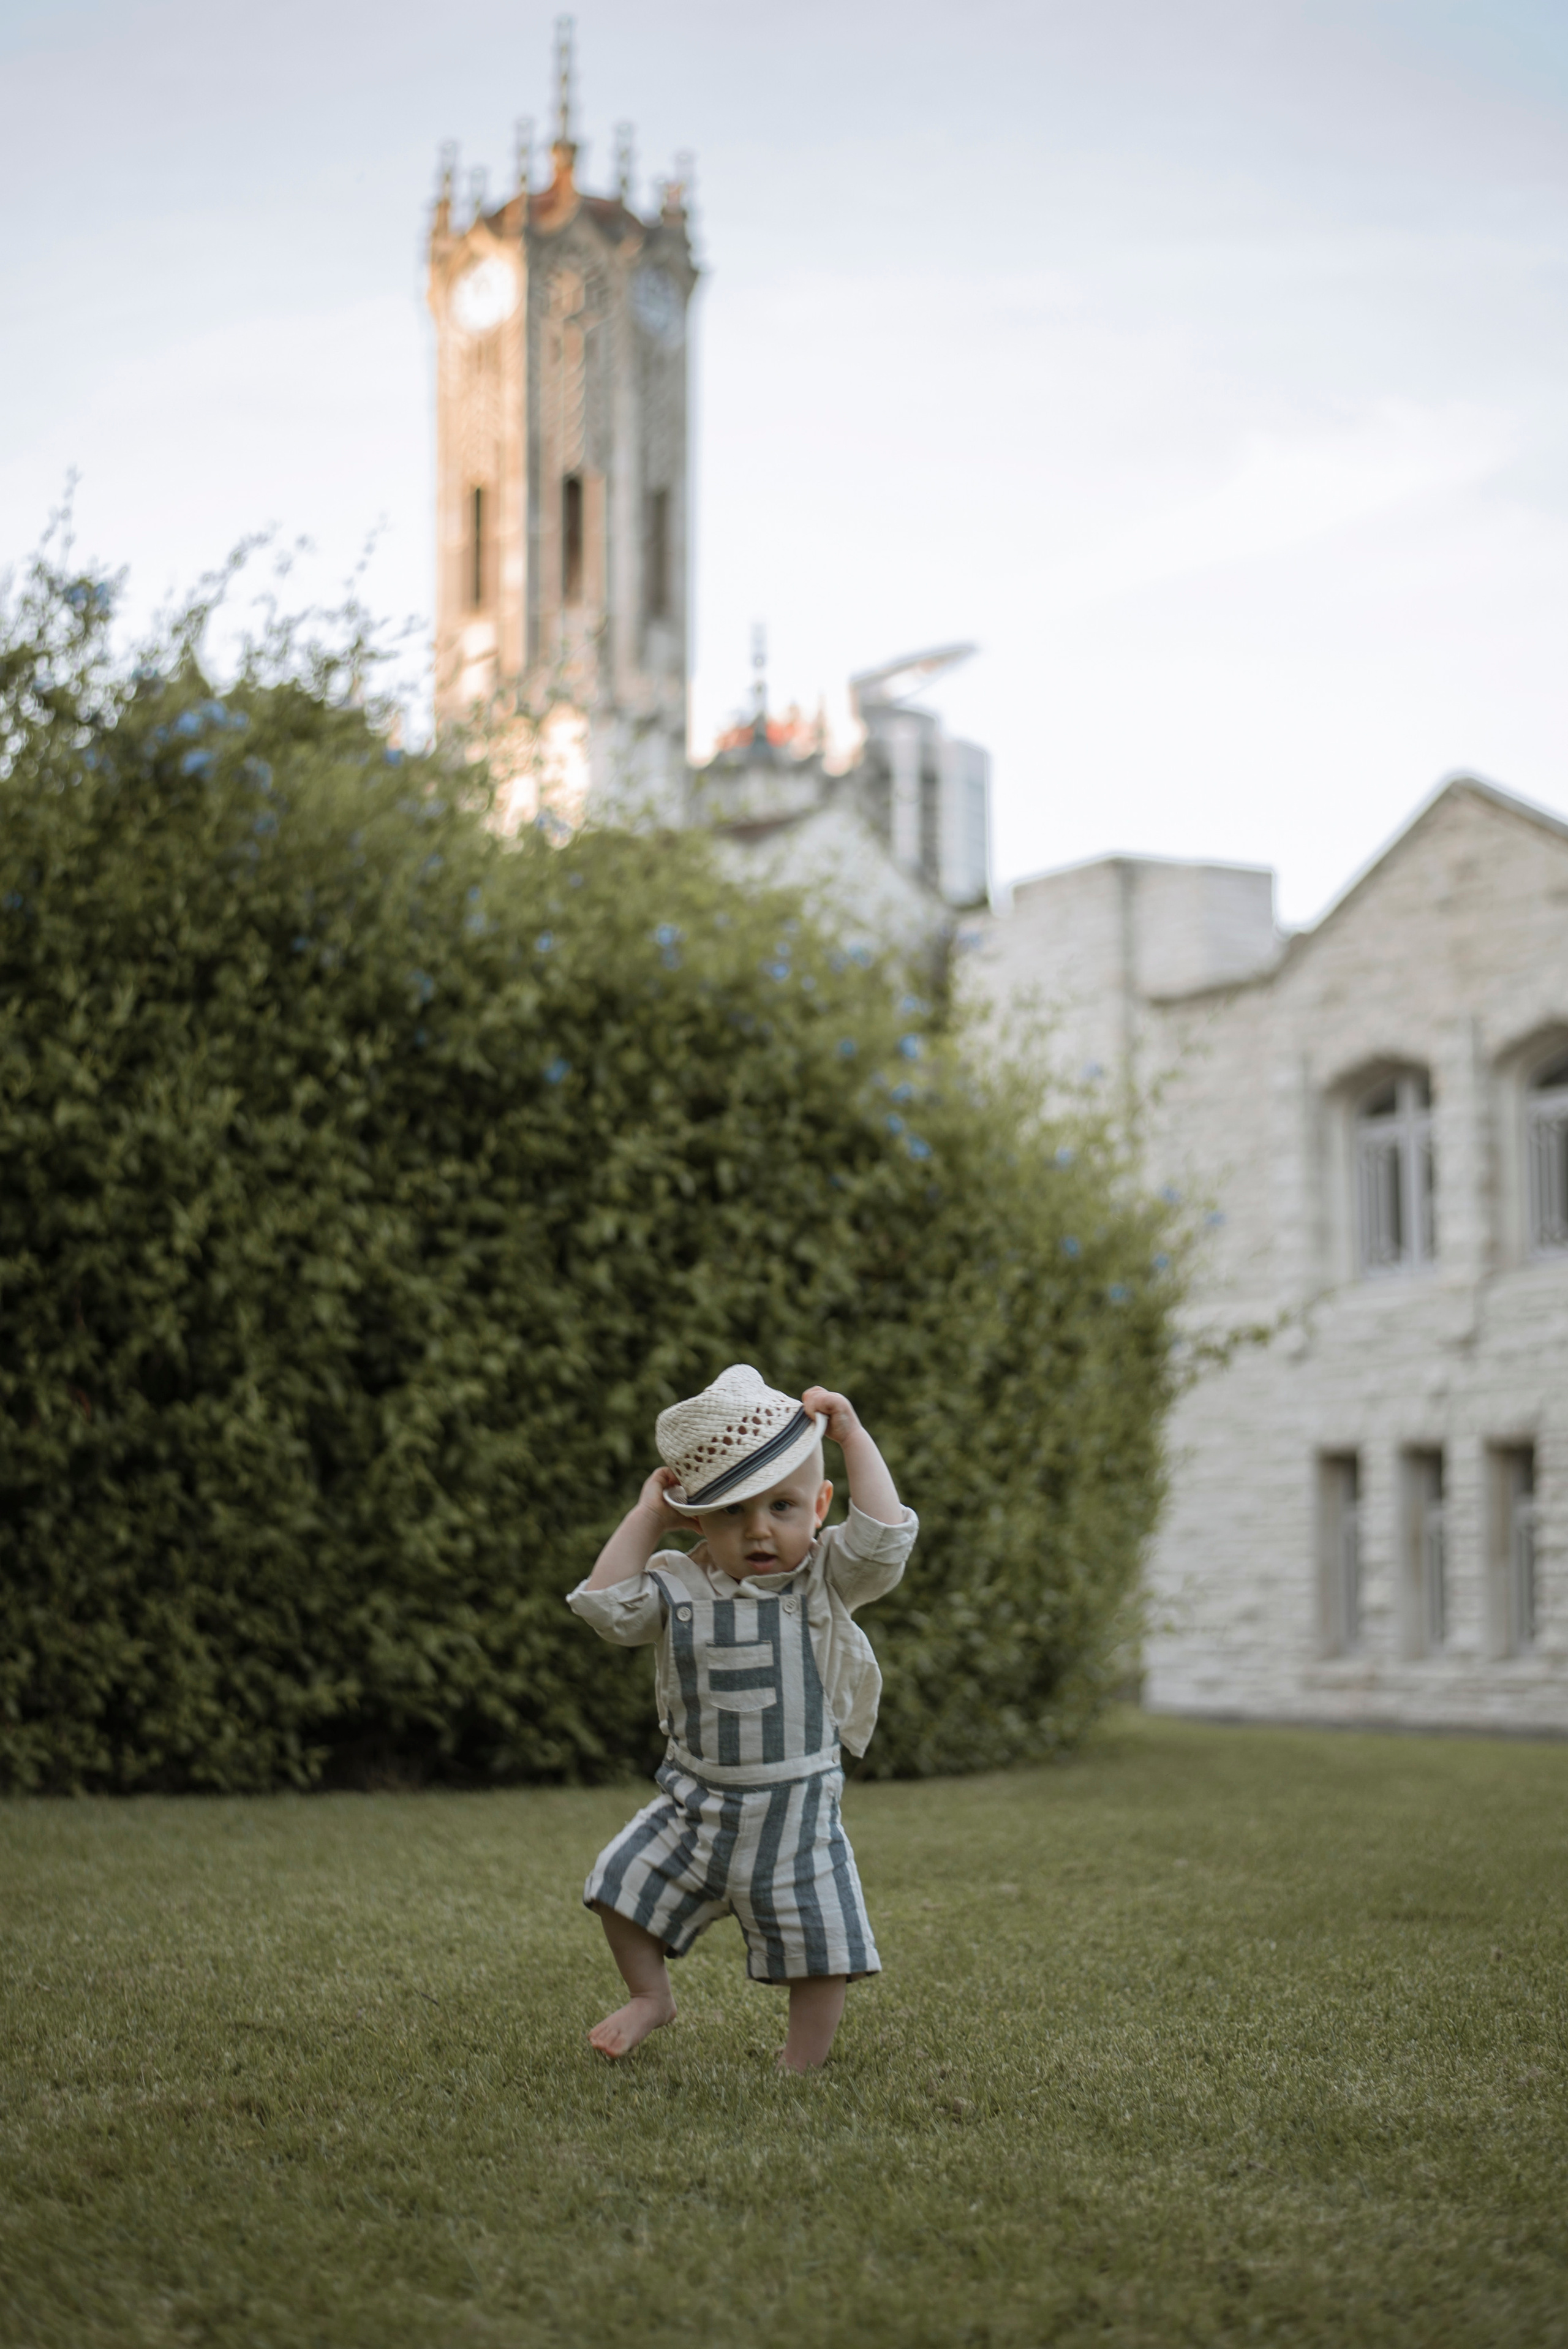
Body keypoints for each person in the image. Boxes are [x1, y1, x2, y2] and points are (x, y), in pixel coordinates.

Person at [567, 1363, 918, 2071]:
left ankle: (801, 2060)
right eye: (732, 1512)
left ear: (820, 1506)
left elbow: (884, 1537)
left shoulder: (825, 1575)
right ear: (697, 1518)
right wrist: (647, 1517)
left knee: (819, 1945)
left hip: (795, 1817)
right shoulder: (677, 1583)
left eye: (782, 1507)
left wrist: (852, 1438)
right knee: (618, 1884)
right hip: (694, 1806)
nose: (758, 1530)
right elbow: (607, 1607)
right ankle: (650, 1998)